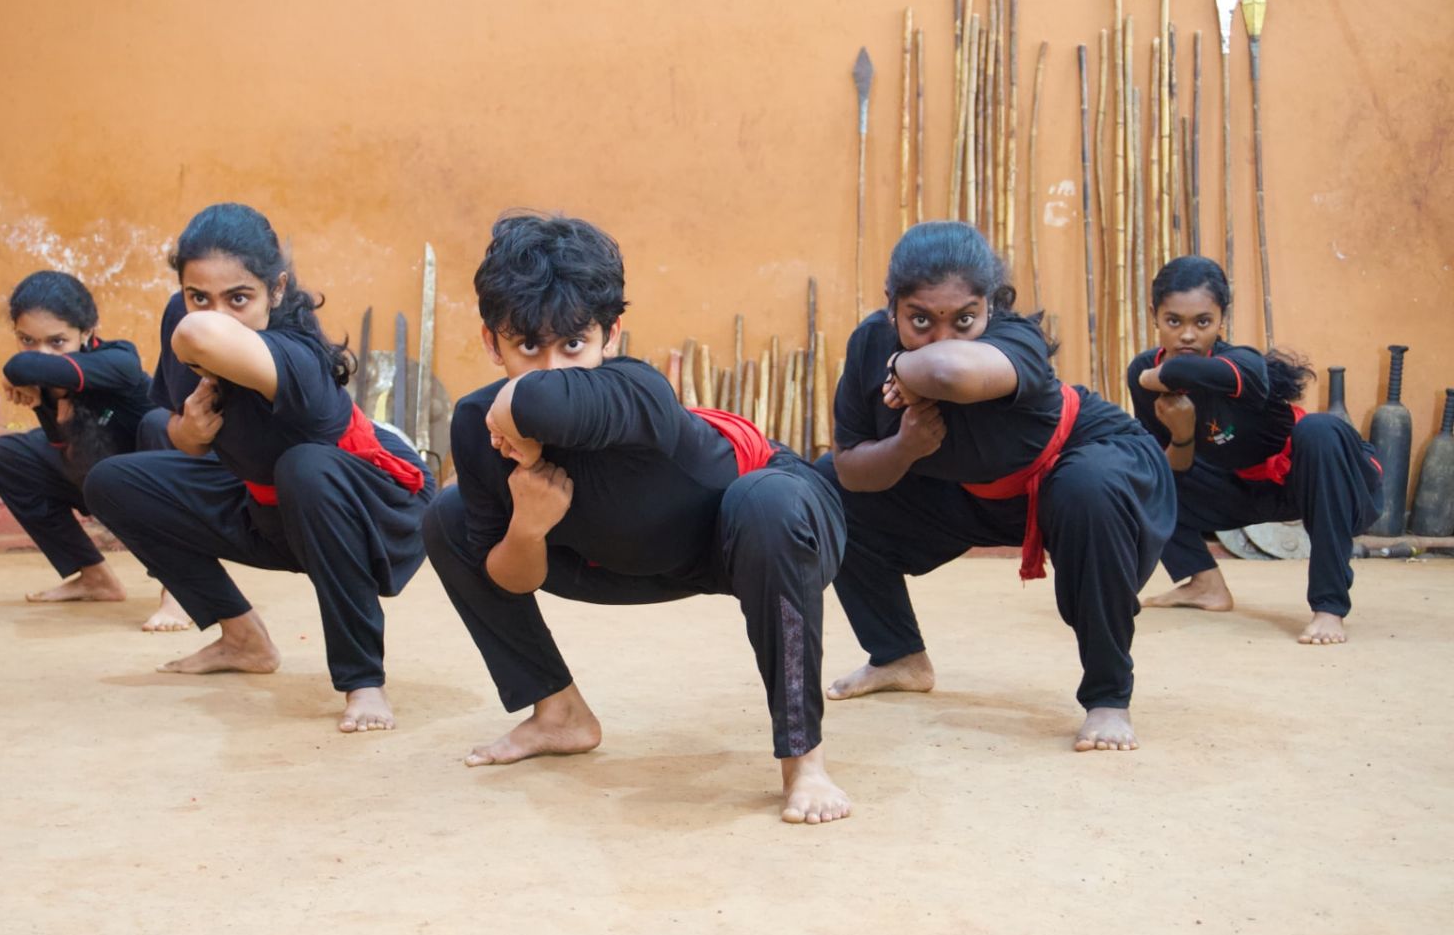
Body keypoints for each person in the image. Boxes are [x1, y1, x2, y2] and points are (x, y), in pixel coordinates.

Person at [421, 211, 850, 823]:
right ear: (490, 343)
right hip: (626, 559)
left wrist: (513, 405)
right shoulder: (474, 426)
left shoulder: (637, 391)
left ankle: (804, 762)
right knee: (447, 513)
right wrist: (529, 524)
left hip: (762, 529)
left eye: (574, 344)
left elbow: (546, 401)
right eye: (526, 347)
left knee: (767, 506)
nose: (553, 368)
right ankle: (559, 713)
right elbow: (510, 578)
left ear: (612, 335)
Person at [818, 220, 1174, 752]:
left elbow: (949, 373)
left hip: (1075, 463)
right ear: (890, 306)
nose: (942, 335)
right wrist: (904, 447)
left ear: (991, 305)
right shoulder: (869, 340)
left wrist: (903, 361)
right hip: (970, 491)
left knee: (1086, 490)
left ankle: (1107, 698)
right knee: (824, 486)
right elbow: (849, 464)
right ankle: (898, 656)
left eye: (964, 319)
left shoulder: (1014, 339)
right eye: (919, 320)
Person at [84, 203, 434, 732]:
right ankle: (241, 637)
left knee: (306, 467)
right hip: (268, 508)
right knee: (114, 482)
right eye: (197, 295)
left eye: (239, 298)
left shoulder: (293, 354)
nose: (214, 312)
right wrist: (188, 433)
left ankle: (363, 682)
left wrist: (196, 318)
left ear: (277, 289)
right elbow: (172, 418)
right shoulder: (181, 319)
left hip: (375, 509)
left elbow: (202, 336)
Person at [1128, 255, 1383, 645]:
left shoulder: (1243, 363)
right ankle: (1205, 584)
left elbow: (1185, 372)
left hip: (1329, 480)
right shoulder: (1143, 373)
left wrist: (1154, 376)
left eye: (1202, 322)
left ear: (1222, 319)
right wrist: (1181, 436)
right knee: (1141, 475)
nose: (1187, 336)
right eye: (1173, 321)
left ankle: (1329, 607)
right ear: (1154, 316)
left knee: (1320, 430)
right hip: (1248, 490)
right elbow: (1174, 471)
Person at [0, 270, 159, 607]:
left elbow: (21, 368)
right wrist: (44, 409)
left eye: (57, 342)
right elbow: (67, 453)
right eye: (27, 340)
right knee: (3, 455)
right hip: (94, 475)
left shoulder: (119, 361)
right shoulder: (46, 385)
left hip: (150, 482)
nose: (41, 355)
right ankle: (95, 579)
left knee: (158, 428)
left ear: (87, 332)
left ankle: (178, 593)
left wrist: (19, 369)